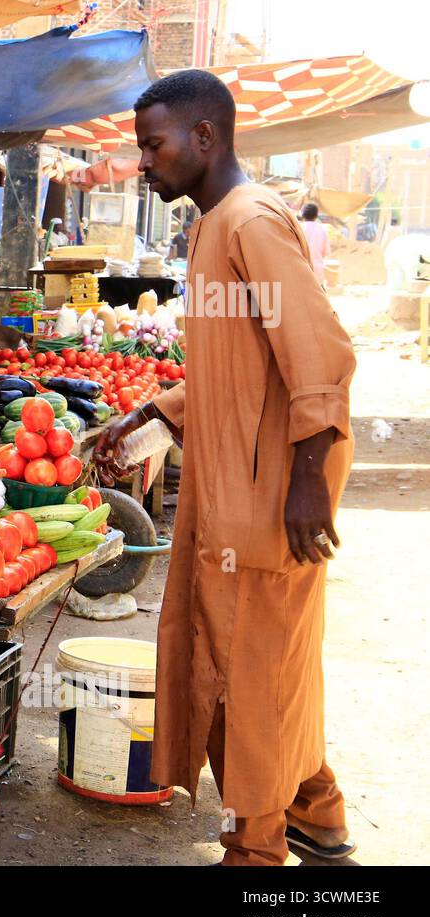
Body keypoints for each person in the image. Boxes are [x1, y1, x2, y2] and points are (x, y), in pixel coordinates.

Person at [93, 70, 357, 866]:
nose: (143, 161)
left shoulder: (251, 221)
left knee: (248, 671)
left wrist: (309, 476)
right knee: (265, 658)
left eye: (154, 143)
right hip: (228, 487)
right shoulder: (213, 225)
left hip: (272, 496)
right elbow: (237, 366)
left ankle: (258, 849)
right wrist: (152, 411)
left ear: (204, 138)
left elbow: (321, 355)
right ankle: (320, 809)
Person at [299, 202, 330, 286]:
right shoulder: (322, 230)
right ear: (316, 215)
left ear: (303, 215)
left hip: (300, 270)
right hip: (317, 272)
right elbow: (325, 252)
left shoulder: (298, 229)